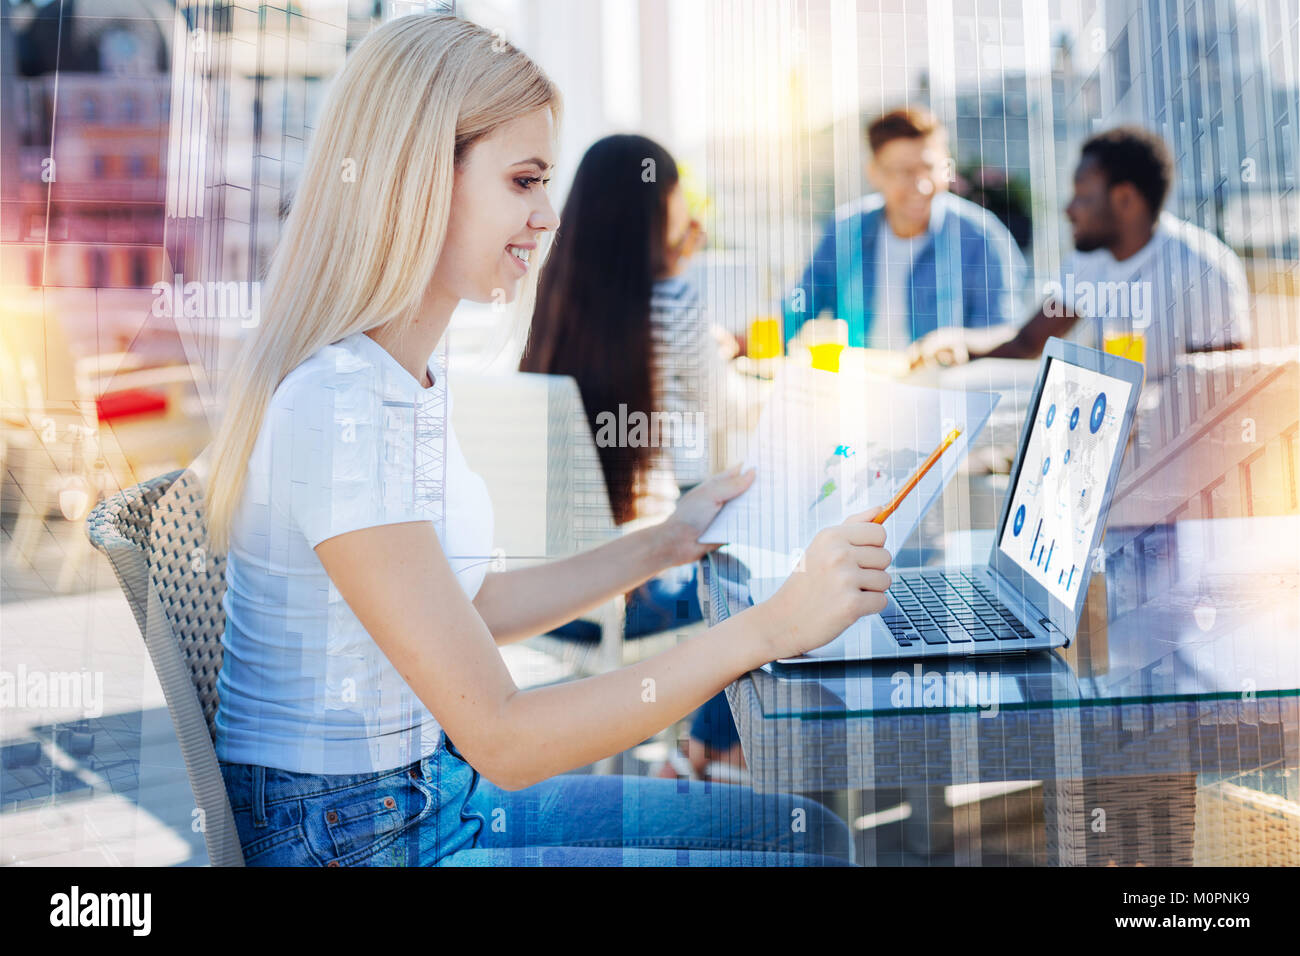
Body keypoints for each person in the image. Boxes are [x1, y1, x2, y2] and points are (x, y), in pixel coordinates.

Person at [202, 13, 892, 867]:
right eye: (524, 181)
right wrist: (768, 629)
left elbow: (475, 609)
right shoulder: (339, 407)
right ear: (418, 179)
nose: (549, 217)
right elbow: (504, 735)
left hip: (429, 794)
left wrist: (668, 540)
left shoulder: (404, 375)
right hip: (360, 836)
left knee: (808, 837)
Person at [520, 134, 743, 781]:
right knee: (759, 585)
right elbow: (727, 413)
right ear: (660, 204)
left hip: (543, 598)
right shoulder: (672, 298)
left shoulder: (549, 300)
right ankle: (705, 756)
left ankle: (696, 756)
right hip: (633, 591)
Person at [908, 127, 1251, 379]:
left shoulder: (1203, 267)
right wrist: (956, 342)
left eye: (1083, 196)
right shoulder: (1090, 261)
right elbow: (1028, 340)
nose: (1069, 209)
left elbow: (1221, 390)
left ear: (1126, 200)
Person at [783, 106, 1025, 352]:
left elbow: (1006, 333)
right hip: (859, 384)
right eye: (905, 172)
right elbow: (803, 301)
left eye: (930, 168)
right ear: (874, 173)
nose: (920, 186)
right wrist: (761, 334)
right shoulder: (846, 229)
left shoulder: (981, 236)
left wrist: (960, 342)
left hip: (942, 387)